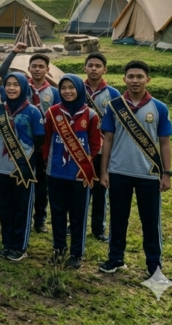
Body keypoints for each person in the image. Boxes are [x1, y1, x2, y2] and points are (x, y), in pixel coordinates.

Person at [98, 61, 172, 277]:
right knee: (118, 218)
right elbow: (108, 140)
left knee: (150, 221)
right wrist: (104, 171)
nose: (135, 80)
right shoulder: (114, 106)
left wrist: (166, 173)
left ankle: (154, 267)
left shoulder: (159, 108)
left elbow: (165, 142)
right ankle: (115, 259)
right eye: (130, 76)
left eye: (139, 77)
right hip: (119, 172)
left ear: (147, 80)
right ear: (124, 79)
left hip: (148, 175)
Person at [43, 75, 101, 269]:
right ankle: (59, 249)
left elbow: (95, 144)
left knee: (78, 214)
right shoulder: (52, 112)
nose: (67, 91)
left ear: (79, 89)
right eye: (63, 88)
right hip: (56, 172)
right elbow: (47, 140)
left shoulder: (90, 115)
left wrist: (85, 164)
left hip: (80, 174)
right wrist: (46, 163)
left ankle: (76, 253)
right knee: (57, 213)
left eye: (71, 88)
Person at [0, 72, 43, 262]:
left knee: (21, 208)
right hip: (0, 167)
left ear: (23, 87)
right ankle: (7, 244)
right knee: (4, 208)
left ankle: (20, 247)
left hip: (23, 170)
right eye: (8, 85)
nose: (11, 88)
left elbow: (39, 142)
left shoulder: (33, 112)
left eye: (16, 85)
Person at [83, 52, 119, 243]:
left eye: (98, 65)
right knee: (79, 188)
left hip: (102, 150)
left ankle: (98, 228)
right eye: (90, 65)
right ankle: (76, 224)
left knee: (99, 189)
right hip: (79, 148)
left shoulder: (113, 94)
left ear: (105, 69)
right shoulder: (75, 89)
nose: (94, 69)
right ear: (85, 68)